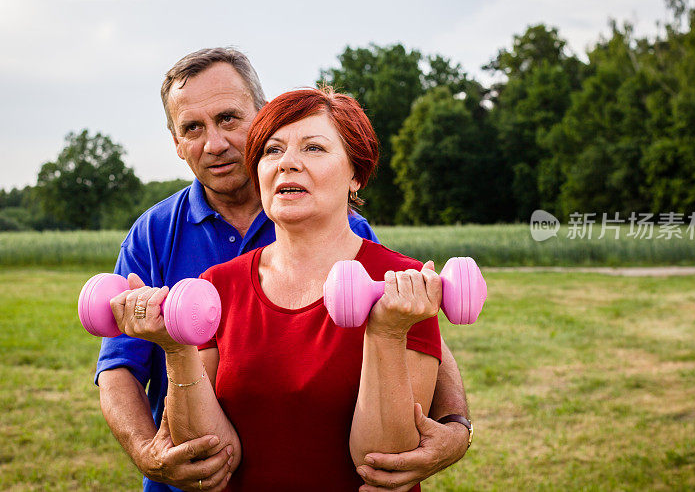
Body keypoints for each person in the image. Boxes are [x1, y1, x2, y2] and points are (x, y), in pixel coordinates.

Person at [95, 49, 473, 492]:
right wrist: (147, 452)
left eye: (229, 119)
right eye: (192, 128)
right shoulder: (166, 243)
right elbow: (119, 365)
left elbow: (418, 328)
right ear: (176, 142)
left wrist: (455, 424)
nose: (214, 143)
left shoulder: (361, 245)